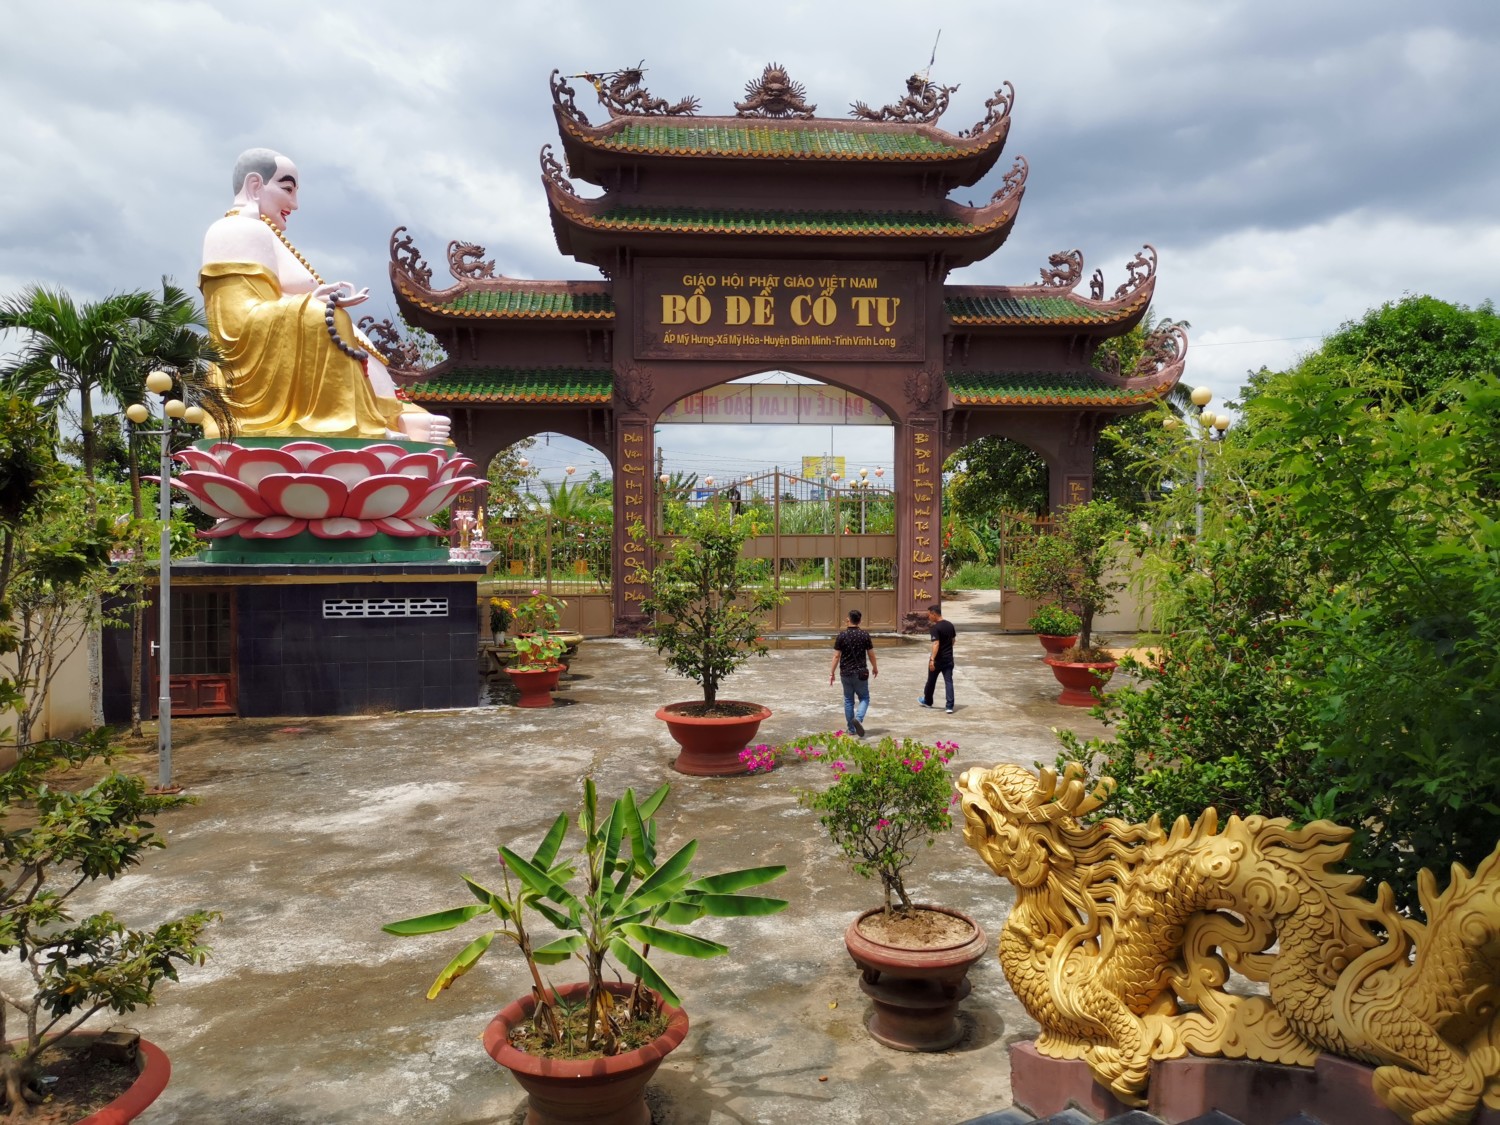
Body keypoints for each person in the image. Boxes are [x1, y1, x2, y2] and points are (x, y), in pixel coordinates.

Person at [199, 148, 450, 442]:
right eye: (287, 188)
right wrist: (311, 305)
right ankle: (356, 422)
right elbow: (235, 325)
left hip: (298, 346)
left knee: (330, 317)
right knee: (325, 317)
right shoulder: (235, 229)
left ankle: (392, 416)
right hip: (256, 377)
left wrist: (317, 301)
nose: (295, 203)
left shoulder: (263, 231)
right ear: (255, 185)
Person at [830, 609, 877, 737]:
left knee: (848, 700)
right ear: (860, 621)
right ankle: (859, 718)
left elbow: (836, 656)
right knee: (864, 698)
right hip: (861, 673)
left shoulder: (841, 636)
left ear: (848, 620)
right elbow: (871, 654)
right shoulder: (864, 635)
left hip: (845, 673)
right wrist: (875, 667)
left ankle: (851, 729)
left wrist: (832, 673)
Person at [918, 603, 956, 714]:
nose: (929, 617)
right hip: (949, 659)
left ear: (934, 614)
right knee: (949, 682)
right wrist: (947, 649)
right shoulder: (950, 625)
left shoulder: (935, 628)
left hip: (938, 660)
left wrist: (932, 659)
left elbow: (936, 644)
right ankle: (949, 706)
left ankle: (928, 701)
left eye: (929, 615)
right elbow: (953, 640)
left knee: (931, 681)